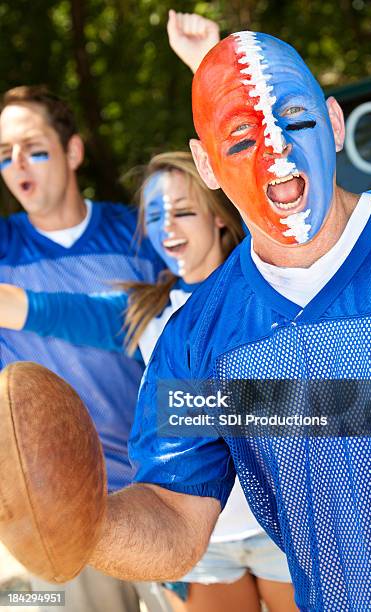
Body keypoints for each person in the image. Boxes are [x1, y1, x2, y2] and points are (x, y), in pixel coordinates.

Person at [2, 29, 371, 612]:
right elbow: (175, 509)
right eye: (241, 140)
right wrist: (82, 521)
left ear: (336, 122)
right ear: (207, 164)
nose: (279, 153)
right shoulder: (192, 337)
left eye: (298, 120)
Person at [0, 151, 297, 612]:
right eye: (154, 216)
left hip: (283, 524)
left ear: (218, 217)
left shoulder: (272, 291)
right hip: (200, 538)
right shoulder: (143, 311)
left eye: (182, 211)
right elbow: (38, 308)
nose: (167, 229)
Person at [0, 85, 165, 612]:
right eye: (5, 154)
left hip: (159, 498)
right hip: (50, 513)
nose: (18, 163)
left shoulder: (142, 233)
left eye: (33, 146)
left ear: (72, 152)